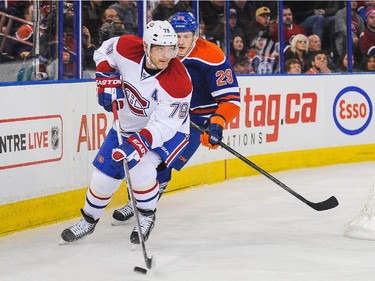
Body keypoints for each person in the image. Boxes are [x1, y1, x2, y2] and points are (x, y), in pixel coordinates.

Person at [60, 20, 193, 244]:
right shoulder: (126, 47)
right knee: (102, 179)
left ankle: (147, 216)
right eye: (160, 48)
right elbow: (104, 52)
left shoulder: (178, 81)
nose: (166, 55)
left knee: (140, 169)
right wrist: (104, 76)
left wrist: (137, 144)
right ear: (146, 47)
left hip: (169, 133)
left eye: (170, 49)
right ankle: (89, 220)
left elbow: (163, 126)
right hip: (127, 125)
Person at [112, 12, 240, 224]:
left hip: (196, 120)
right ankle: (137, 200)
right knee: (139, 157)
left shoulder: (211, 56)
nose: (180, 41)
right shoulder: (159, 51)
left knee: (162, 163)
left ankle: (146, 202)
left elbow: (231, 99)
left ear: (195, 35)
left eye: (186, 36)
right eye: (176, 35)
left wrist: (216, 124)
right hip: (163, 114)